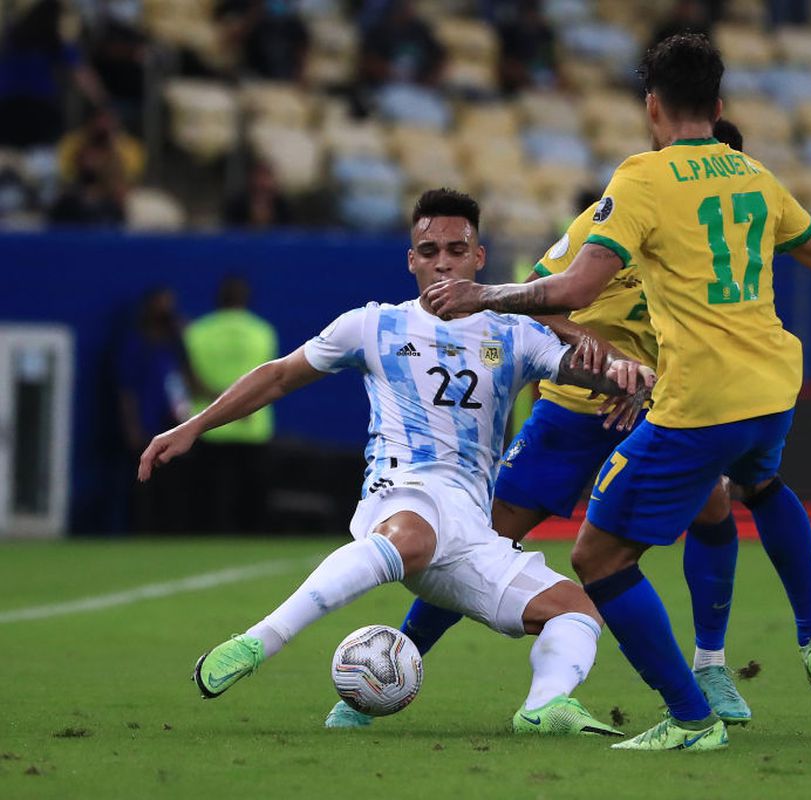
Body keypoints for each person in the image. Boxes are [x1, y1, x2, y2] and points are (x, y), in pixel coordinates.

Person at [424, 34, 811, 751]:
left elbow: (574, 285)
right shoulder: (753, 177)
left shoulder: (642, 180)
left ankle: (695, 707)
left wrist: (482, 294)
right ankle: (789, 645)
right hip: (750, 392)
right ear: (716, 103)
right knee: (744, 491)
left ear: (652, 106)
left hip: (690, 400)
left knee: (601, 557)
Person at [138, 189, 654, 737]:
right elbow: (280, 374)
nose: (442, 262)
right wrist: (193, 426)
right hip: (402, 492)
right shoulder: (372, 325)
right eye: (429, 250)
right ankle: (258, 641)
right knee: (414, 536)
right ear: (411, 259)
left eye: (457, 250)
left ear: (479, 259)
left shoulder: (515, 332)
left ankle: (544, 707)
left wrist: (625, 375)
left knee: (578, 610)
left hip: (471, 527)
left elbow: (584, 369)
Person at [329, 119, 768, 732]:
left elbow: (714, 339)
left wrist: (651, 389)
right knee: (486, 536)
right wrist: (606, 361)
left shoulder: (728, 241)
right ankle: (390, 667)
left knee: (715, 507)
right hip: (572, 407)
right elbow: (537, 297)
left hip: (656, 406)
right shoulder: (618, 215)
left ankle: (710, 666)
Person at [184, 276, 279, 532]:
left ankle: (209, 537)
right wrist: (243, 406)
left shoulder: (197, 331)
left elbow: (190, 379)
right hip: (253, 426)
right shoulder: (262, 331)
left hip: (209, 426)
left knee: (210, 497)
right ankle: (251, 538)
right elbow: (269, 379)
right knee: (251, 496)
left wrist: (220, 405)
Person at [120, 287, 193, 532]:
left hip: (172, 422)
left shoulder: (175, 342)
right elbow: (126, 389)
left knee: (175, 483)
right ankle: (142, 530)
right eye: (161, 304)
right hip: (146, 423)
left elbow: (186, 377)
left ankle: (171, 530)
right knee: (144, 482)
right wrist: (132, 426)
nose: (166, 310)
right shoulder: (137, 343)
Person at [0, 0, 107, 147]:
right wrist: (103, 102)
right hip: (37, 109)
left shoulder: (11, 37)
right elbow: (83, 75)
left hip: (7, 107)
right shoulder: (54, 42)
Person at [496, 0, 559, 94]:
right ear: (522, 15)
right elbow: (504, 63)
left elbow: (550, 60)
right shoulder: (508, 32)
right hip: (514, 83)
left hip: (540, 77)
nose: (532, 18)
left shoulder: (546, 33)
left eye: (535, 15)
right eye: (529, 15)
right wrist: (523, 75)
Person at [223, 160, 293, 229]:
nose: (261, 182)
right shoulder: (236, 207)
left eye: (266, 177)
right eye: (258, 176)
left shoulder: (284, 207)